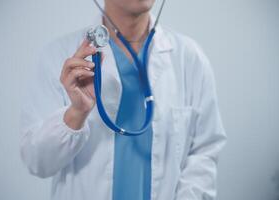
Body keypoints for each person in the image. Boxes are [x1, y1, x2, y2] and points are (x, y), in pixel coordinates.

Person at [20, 0, 227, 199]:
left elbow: (204, 152)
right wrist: (76, 113)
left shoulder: (189, 58)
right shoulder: (58, 56)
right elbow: (37, 161)